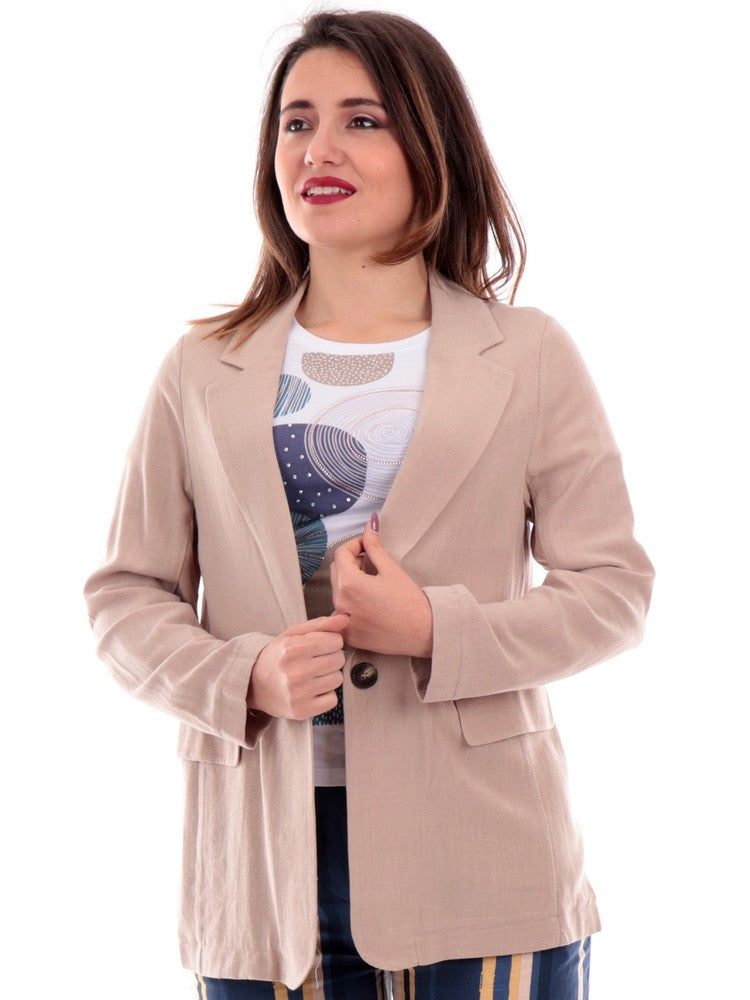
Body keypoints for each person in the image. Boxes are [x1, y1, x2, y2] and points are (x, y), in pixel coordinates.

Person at [84, 10, 654, 999]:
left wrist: (435, 629)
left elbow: (613, 591)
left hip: (483, 855)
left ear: (432, 147)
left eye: (363, 119)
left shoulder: (527, 354)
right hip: (261, 872)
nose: (319, 149)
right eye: (296, 122)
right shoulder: (200, 367)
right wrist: (243, 674)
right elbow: (124, 597)